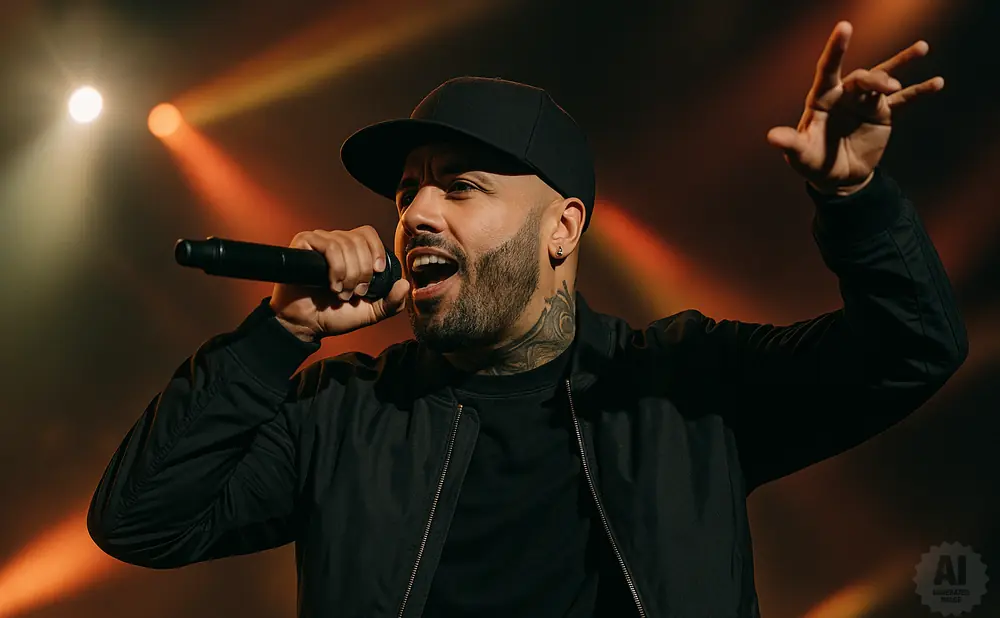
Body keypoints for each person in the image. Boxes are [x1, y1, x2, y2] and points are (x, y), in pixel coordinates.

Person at [88, 21, 967, 618]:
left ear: (564, 229)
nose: (416, 213)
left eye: (460, 186)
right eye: (408, 191)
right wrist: (273, 338)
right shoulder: (343, 413)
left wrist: (853, 198)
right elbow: (141, 522)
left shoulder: (684, 385)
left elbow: (915, 348)